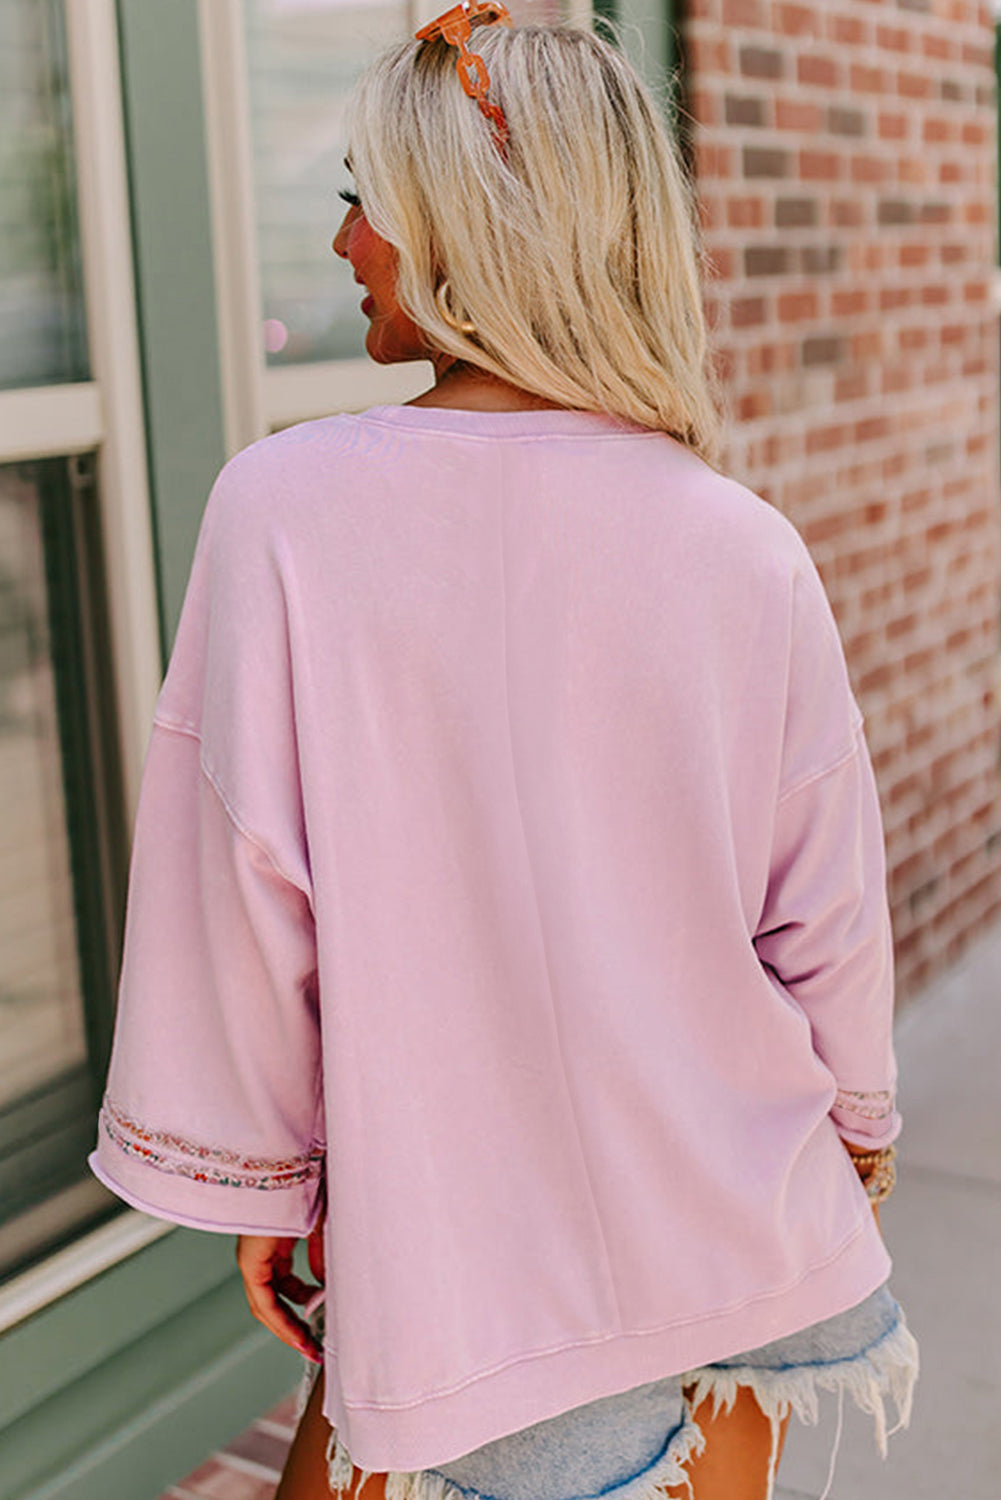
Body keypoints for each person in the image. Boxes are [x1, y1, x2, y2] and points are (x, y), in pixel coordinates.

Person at [87, 11, 920, 1500]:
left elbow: (243, 898)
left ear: (464, 228)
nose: (342, 241)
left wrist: (265, 1175)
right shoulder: (743, 546)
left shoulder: (286, 511)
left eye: (367, 198)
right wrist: (856, 1133)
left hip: (453, 1266)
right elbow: (824, 917)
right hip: (735, 1239)